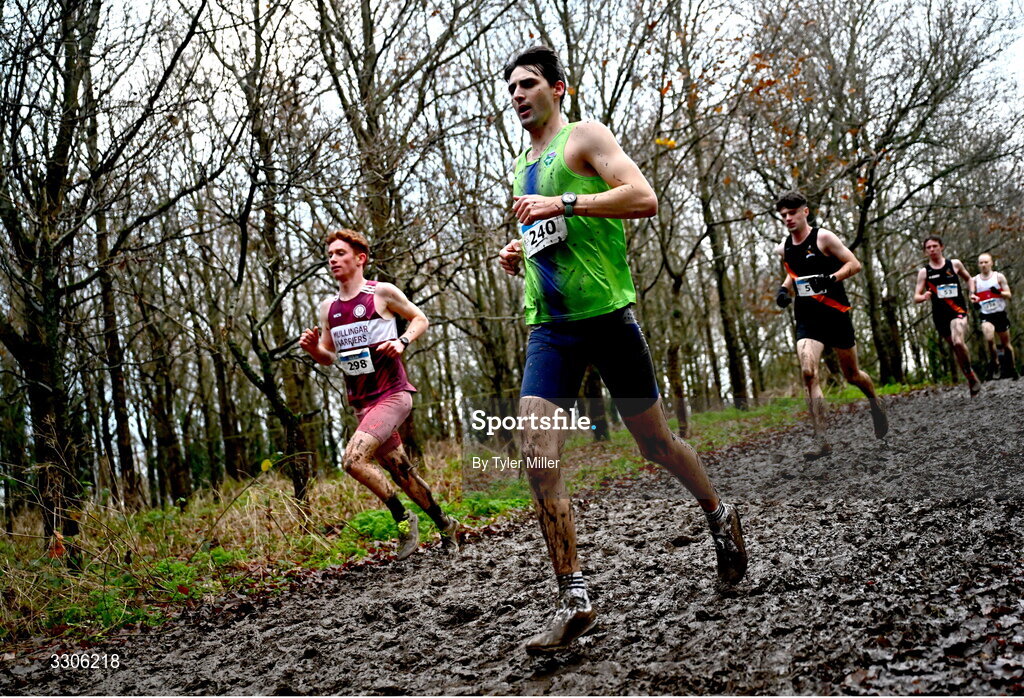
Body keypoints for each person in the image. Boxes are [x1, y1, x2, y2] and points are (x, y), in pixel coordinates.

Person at [496, 45, 747, 655]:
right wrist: (520, 252)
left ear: (559, 88)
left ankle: (718, 516)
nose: (517, 96)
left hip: (609, 319)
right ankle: (574, 598)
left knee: (655, 446)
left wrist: (567, 201)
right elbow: (551, 236)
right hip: (552, 329)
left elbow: (642, 197)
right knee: (536, 453)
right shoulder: (521, 167)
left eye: (528, 84)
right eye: (510, 90)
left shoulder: (584, 137)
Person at [300, 229, 459, 559]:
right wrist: (315, 349)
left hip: (393, 395)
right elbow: (331, 357)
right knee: (403, 475)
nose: (333, 259)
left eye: (340, 253)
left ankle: (403, 519)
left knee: (352, 461)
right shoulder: (328, 308)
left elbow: (420, 318)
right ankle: (446, 524)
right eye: (330, 254)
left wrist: (402, 342)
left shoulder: (381, 293)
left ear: (360, 259)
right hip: (362, 403)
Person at [773, 191, 888, 460]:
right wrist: (783, 289)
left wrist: (832, 278)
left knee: (852, 375)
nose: (788, 219)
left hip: (835, 313)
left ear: (805, 211)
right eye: (783, 216)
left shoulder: (823, 237)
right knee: (808, 372)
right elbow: (793, 273)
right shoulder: (785, 246)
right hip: (807, 317)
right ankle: (822, 439)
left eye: (792, 213)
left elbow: (854, 264)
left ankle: (875, 403)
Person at [913, 236, 982, 396]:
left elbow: (969, 279)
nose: (932, 249)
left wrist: (972, 293)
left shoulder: (954, 264)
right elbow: (916, 296)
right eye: (928, 247)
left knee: (958, 341)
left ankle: (970, 374)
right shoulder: (925, 272)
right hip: (940, 316)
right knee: (955, 347)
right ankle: (970, 376)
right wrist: (923, 297)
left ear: (941, 247)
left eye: (934, 246)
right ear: (925, 251)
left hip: (958, 310)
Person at [970, 252, 1017, 380]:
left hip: (1000, 314)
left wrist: (999, 292)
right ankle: (995, 363)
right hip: (986, 315)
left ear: (991, 263)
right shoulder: (975, 280)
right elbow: (972, 295)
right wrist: (974, 301)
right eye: (981, 263)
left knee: (1006, 344)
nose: (984, 265)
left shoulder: (998, 277)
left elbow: (1009, 294)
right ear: (978, 265)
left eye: (986, 262)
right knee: (989, 338)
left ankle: (1012, 368)